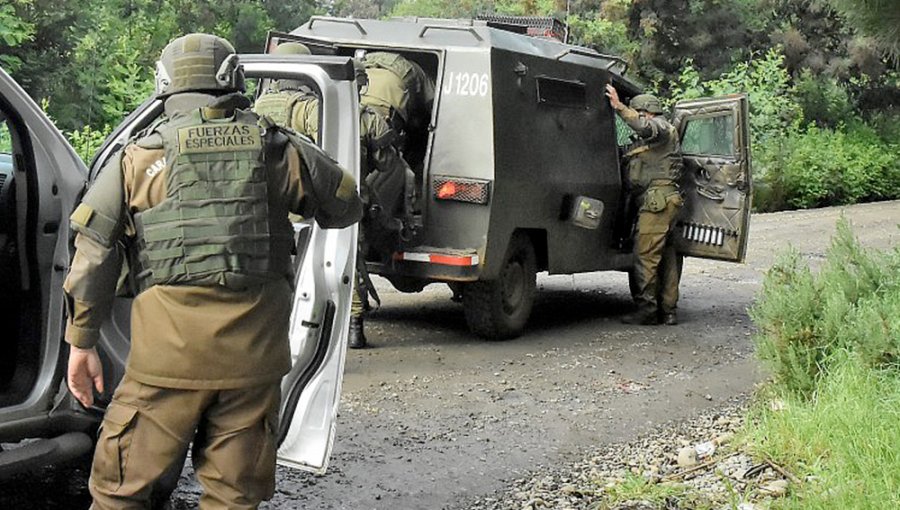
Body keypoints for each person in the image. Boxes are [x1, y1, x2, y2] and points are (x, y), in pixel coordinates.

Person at [64, 33, 362, 509]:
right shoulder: (281, 149)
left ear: (165, 85)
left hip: (165, 366)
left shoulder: (137, 159)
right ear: (232, 80)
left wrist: (81, 343)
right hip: (253, 365)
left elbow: (94, 255)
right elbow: (346, 206)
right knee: (232, 499)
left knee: (121, 495)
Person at [254, 44, 413, 349]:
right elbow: (383, 160)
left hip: (275, 203)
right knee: (342, 260)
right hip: (324, 197)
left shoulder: (257, 107)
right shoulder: (321, 108)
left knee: (279, 267)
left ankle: (281, 329)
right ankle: (353, 326)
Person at [606, 84, 684, 326]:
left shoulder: (660, 127)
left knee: (645, 256)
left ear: (647, 112)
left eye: (638, 113)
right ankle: (668, 311)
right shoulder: (660, 137)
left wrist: (619, 107)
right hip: (666, 202)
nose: (637, 118)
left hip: (656, 203)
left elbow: (646, 127)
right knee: (667, 258)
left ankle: (647, 310)